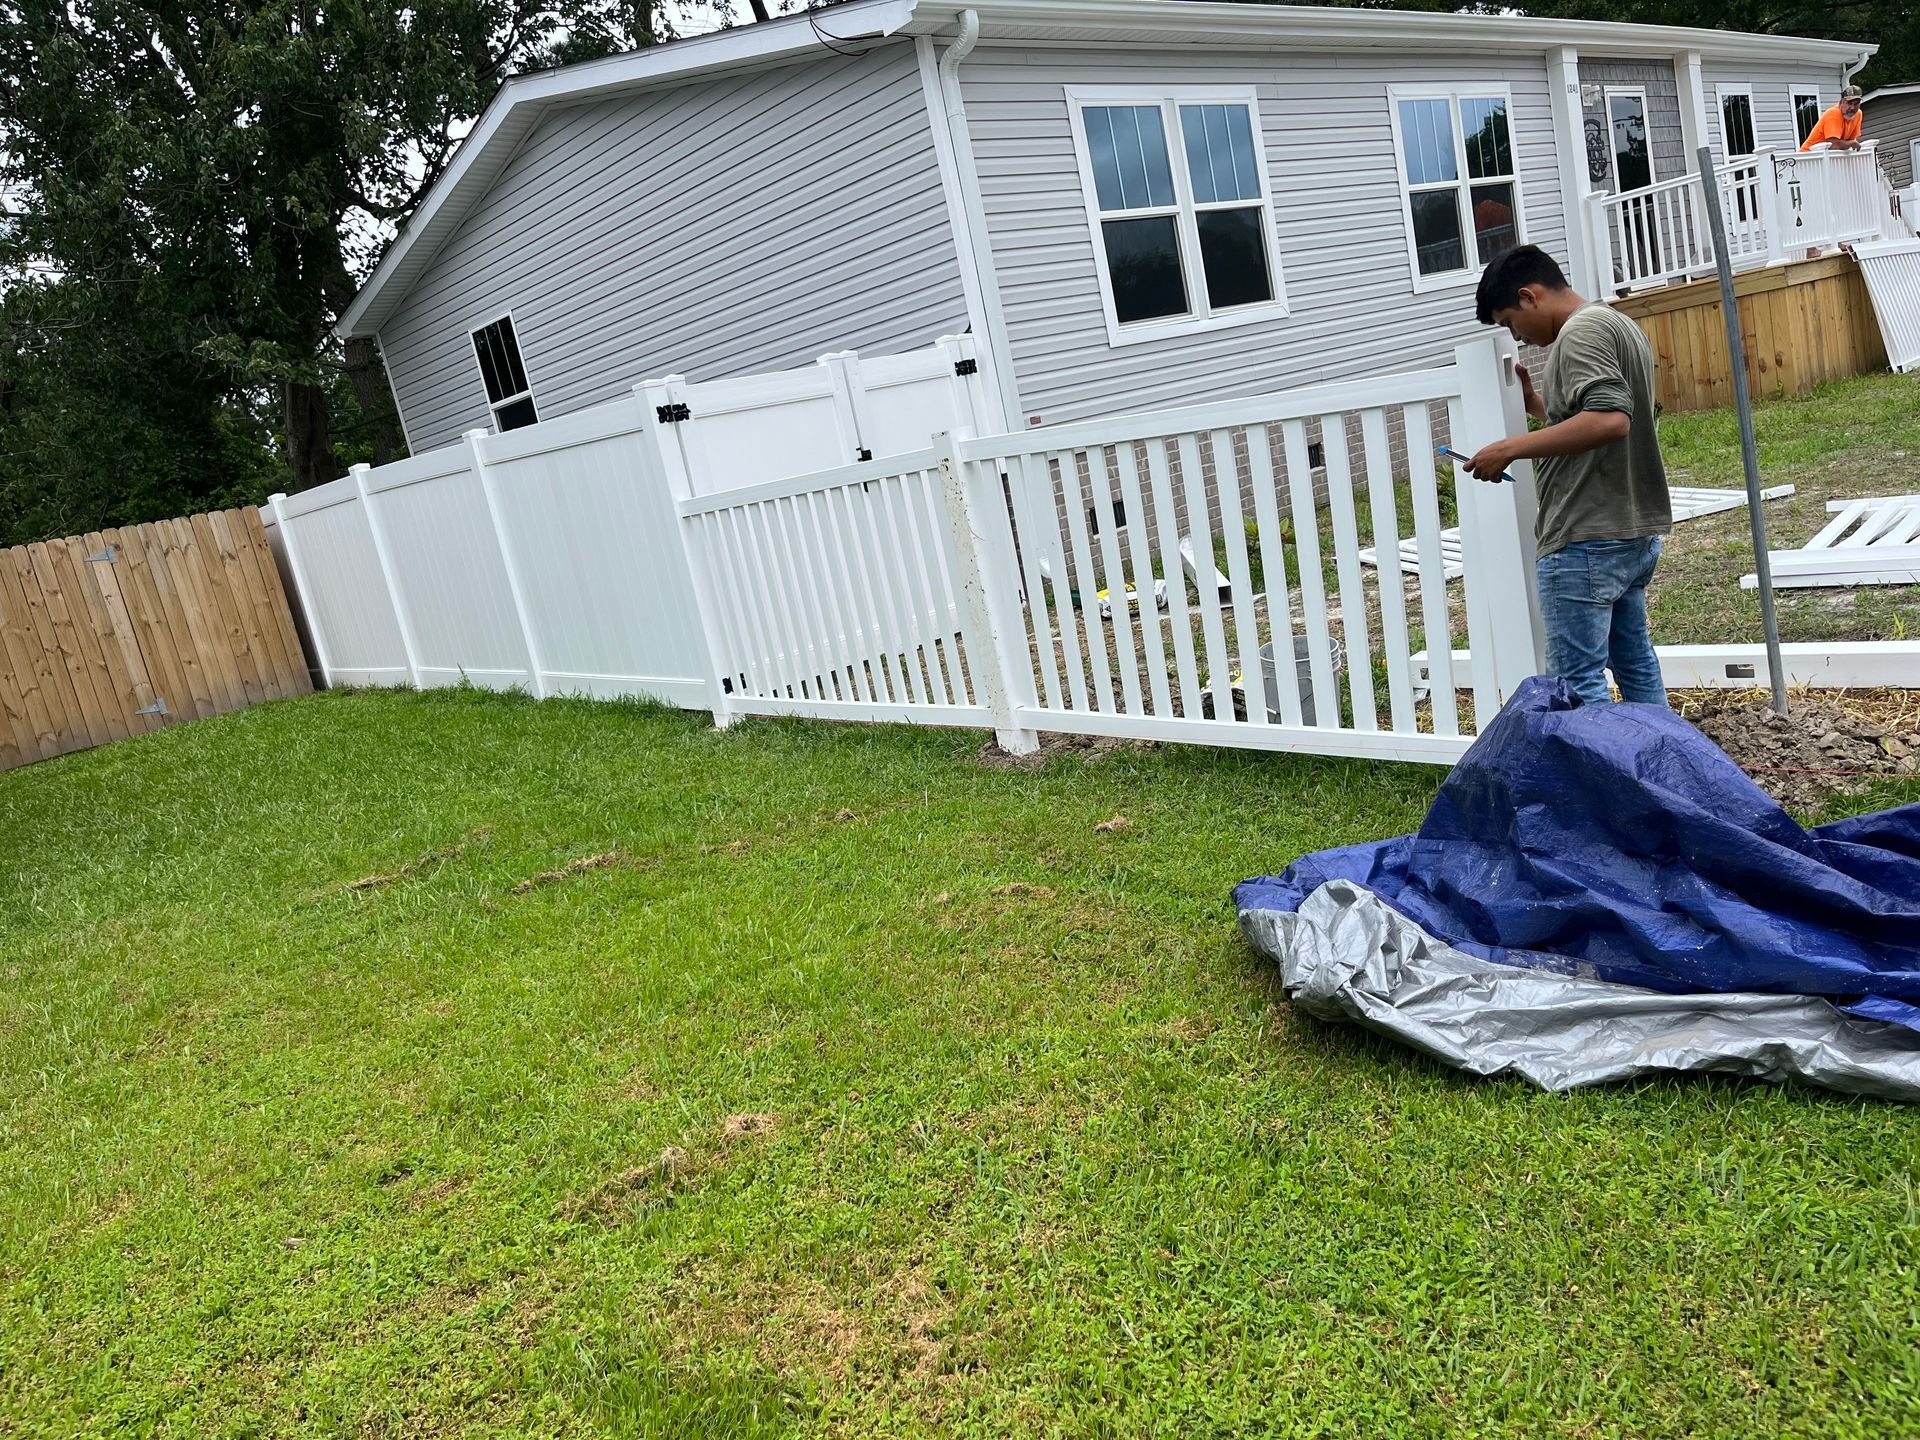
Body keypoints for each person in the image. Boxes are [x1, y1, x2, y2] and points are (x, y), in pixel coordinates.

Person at [1464, 245, 1673, 708]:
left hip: (1585, 538)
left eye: (1509, 322)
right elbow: (1596, 416)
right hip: (1627, 530)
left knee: (1577, 684)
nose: (1515, 335)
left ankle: (1598, 779)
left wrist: (1509, 448)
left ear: (1529, 295)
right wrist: (1537, 406)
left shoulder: (1579, 334)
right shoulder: (1615, 322)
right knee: (1635, 663)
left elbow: (1611, 419)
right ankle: (1661, 766)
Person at [1801, 86, 1865, 152]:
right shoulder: (1833, 113)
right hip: (1808, 157)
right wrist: (1852, 144)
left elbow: (1851, 140)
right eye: (1849, 103)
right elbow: (1833, 146)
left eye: (1856, 104)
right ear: (1841, 102)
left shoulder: (1858, 114)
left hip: (1826, 156)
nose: (1852, 108)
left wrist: (1851, 143)